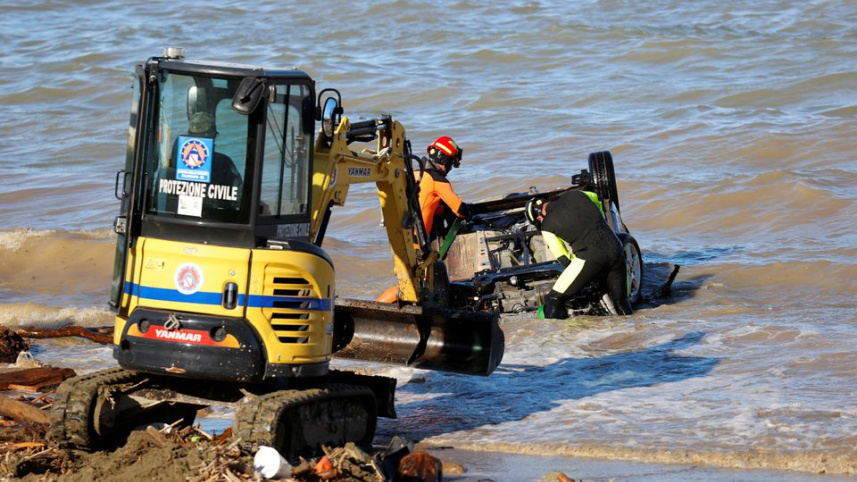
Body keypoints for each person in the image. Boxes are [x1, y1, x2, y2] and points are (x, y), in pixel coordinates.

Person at [376, 136, 470, 303]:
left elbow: (424, 202)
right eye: (450, 163)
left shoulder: (415, 174)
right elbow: (460, 210)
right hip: (414, 243)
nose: (449, 169)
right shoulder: (438, 181)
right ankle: (374, 307)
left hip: (400, 237)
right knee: (408, 288)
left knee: (411, 286)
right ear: (444, 159)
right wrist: (468, 212)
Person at [525, 190, 633, 319]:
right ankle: (633, 332)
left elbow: (564, 259)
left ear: (538, 216)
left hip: (591, 258)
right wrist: (601, 221)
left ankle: (561, 337)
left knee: (554, 299)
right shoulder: (577, 194)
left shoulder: (546, 226)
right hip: (616, 249)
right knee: (621, 303)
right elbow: (598, 198)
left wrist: (585, 275)